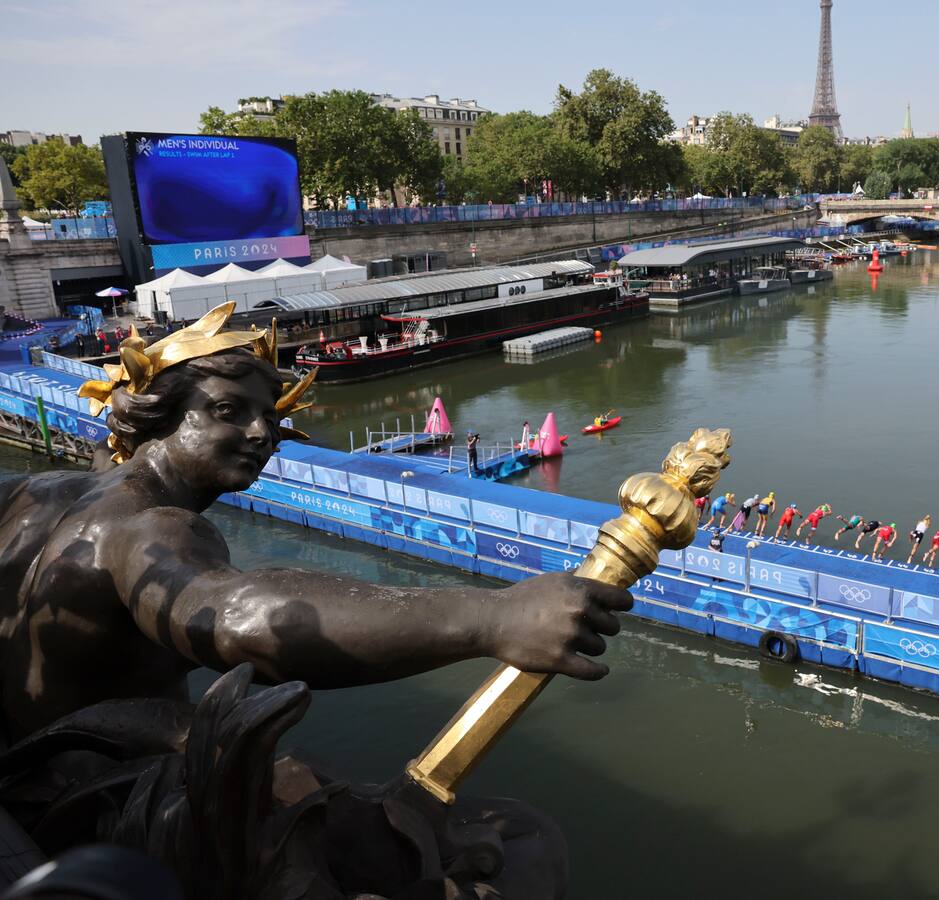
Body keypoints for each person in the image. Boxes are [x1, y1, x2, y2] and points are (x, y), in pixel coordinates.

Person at [0, 306, 629, 895]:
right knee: (519, 838)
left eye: (271, 418)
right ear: (158, 414)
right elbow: (241, 618)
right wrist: (495, 617)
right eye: (228, 410)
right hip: (100, 814)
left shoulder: (34, 494)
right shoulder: (150, 526)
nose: (260, 433)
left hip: (28, 777)